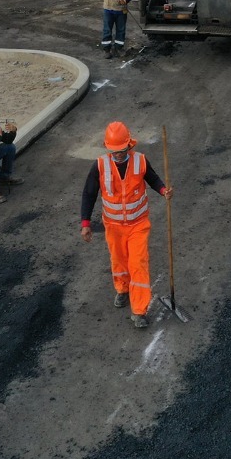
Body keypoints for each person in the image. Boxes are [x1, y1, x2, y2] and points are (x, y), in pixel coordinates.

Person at [80, 122, 172, 329]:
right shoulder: (100, 165)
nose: (118, 155)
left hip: (138, 224)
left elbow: (153, 179)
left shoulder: (140, 161)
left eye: (122, 151)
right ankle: (122, 289)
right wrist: (86, 223)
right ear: (107, 148)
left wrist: (163, 190)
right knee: (119, 261)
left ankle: (139, 310)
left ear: (129, 145)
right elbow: (89, 193)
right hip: (113, 226)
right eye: (114, 151)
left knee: (138, 264)